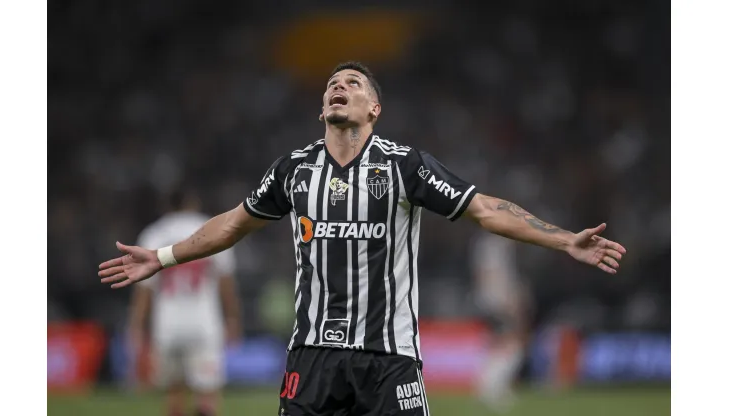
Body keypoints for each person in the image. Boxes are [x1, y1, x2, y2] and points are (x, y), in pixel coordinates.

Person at [99, 61, 626, 416]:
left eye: (353, 82)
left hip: (389, 357)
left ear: (374, 109)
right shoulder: (294, 171)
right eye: (332, 82)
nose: (339, 85)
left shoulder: (405, 166)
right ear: (321, 108)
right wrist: (164, 256)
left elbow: (485, 209)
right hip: (311, 357)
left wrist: (564, 241)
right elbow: (233, 223)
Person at [127, 190, 241, 416]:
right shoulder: (211, 229)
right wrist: (233, 318)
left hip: (167, 326)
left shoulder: (153, 235)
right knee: (207, 395)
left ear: (167, 206)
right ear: (193, 202)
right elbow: (226, 282)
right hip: (204, 324)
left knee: (173, 397)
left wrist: (137, 327)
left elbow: (144, 291)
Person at [470, 232, 531, 412]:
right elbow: (488, 275)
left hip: (491, 300)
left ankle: (491, 387)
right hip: (496, 302)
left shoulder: (493, 245)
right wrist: (506, 301)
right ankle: (492, 388)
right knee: (513, 342)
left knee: (500, 344)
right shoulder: (494, 246)